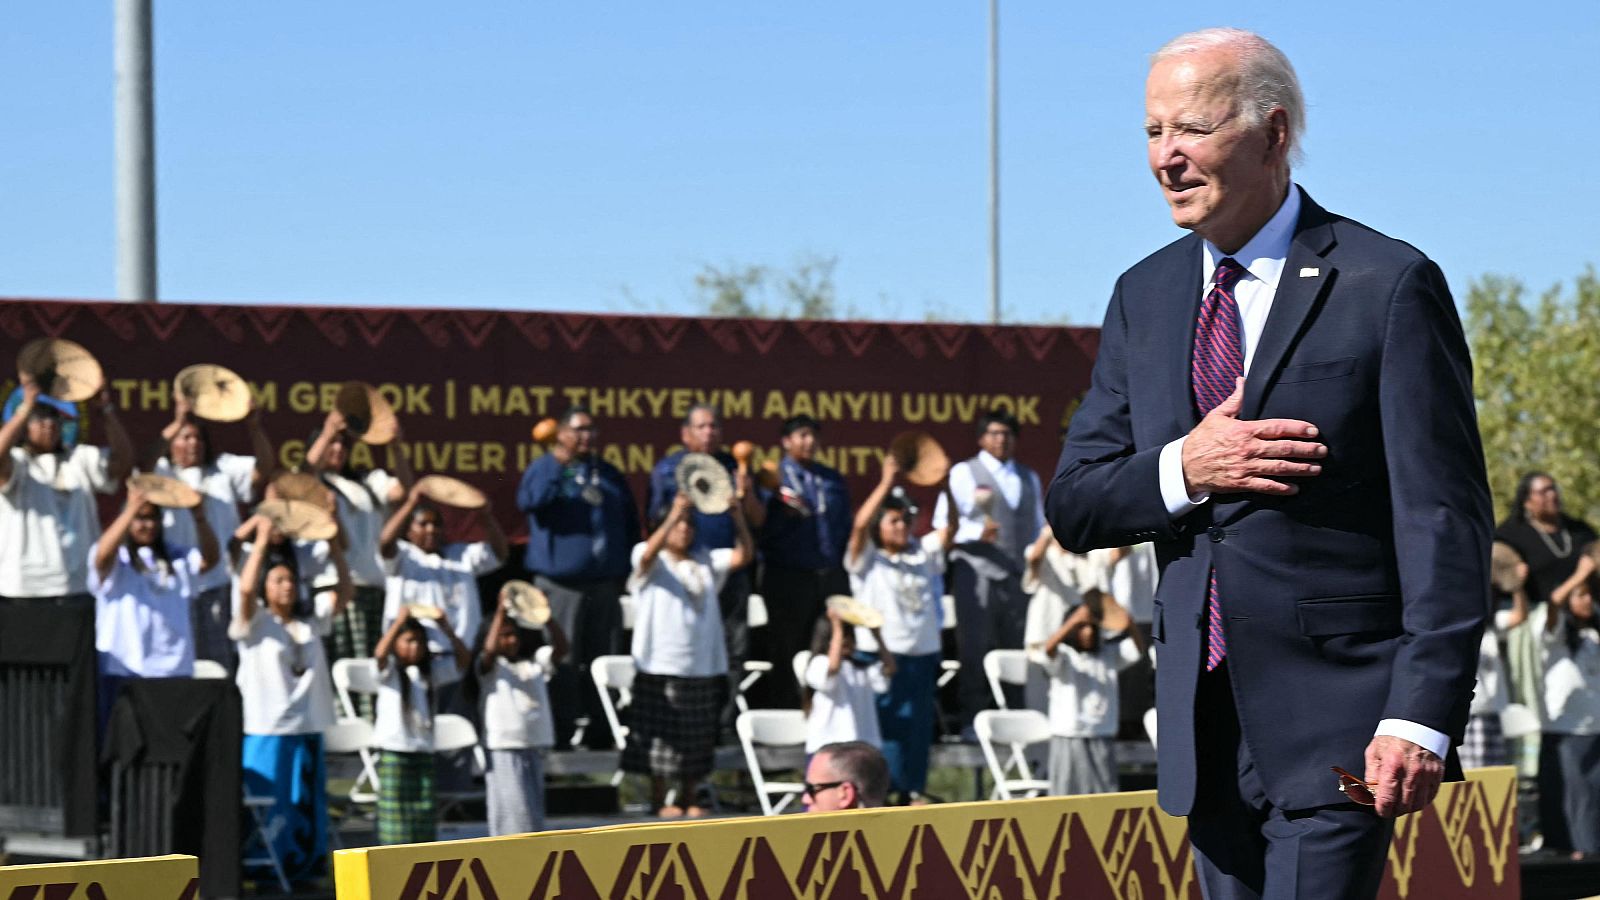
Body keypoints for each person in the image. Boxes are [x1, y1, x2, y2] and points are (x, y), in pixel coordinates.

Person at [1047, 28, 1491, 898]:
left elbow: (1443, 521)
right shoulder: (1144, 295)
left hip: (1344, 729)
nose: (1166, 159)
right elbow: (1077, 503)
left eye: (1192, 130)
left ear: (1273, 132)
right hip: (1201, 736)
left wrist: (1420, 716)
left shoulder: (1386, 283)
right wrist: (1187, 466)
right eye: (1151, 133)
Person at [231, 514, 348, 883]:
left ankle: (307, 868)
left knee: (306, 800)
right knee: (272, 803)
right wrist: (262, 541)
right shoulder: (254, 623)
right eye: (278, 580)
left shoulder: (309, 621)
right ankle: (266, 871)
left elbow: (345, 590)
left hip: (308, 724)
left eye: (291, 580)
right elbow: (246, 590)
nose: (287, 587)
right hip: (267, 728)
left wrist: (331, 540)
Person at [623, 492, 752, 818]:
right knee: (662, 741)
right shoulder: (650, 557)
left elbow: (744, 555)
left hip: (702, 663)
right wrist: (672, 514)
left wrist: (737, 517)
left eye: (688, 524)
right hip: (661, 662)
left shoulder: (705, 561)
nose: (684, 530)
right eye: (679, 524)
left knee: (697, 736)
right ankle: (658, 799)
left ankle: (689, 795)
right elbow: (647, 556)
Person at [517, 406, 641, 744]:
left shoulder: (608, 473)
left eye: (592, 430)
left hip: (604, 583)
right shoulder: (544, 468)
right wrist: (558, 465)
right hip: (561, 585)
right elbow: (530, 502)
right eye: (579, 430)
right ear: (561, 433)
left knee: (604, 658)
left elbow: (628, 523)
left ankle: (603, 731)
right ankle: (562, 730)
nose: (587, 437)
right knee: (564, 659)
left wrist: (625, 571)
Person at [647, 404, 766, 725]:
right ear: (685, 433)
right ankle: (686, 720)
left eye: (714, 426)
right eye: (701, 427)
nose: (709, 432)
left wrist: (747, 496)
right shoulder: (669, 469)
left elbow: (758, 519)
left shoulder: (733, 467)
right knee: (689, 644)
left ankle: (723, 722)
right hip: (686, 570)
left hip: (729, 569)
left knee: (732, 648)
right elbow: (655, 519)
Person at [844, 453, 954, 801]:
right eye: (893, 521)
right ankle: (881, 791)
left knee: (918, 727)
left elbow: (949, 528)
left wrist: (945, 487)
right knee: (884, 726)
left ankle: (913, 789)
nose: (902, 526)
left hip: (921, 653)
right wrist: (886, 483)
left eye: (906, 520)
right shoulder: (868, 560)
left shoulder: (921, 554)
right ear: (881, 525)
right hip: (881, 654)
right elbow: (859, 527)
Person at [933, 411, 1045, 732]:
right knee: (975, 646)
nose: (1001, 439)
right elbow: (945, 524)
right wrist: (974, 534)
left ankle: (1016, 720)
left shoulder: (1028, 477)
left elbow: (1035, 526)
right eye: (994, 433)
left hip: (1017, 574)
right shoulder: (964, 473)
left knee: (1016, 645)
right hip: (976, 570)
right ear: (982, 438)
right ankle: (972, 718)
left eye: (1008, 433)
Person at [152, 392, 275, 674]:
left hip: (219, 583)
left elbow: (264, 468)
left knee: (219, 666)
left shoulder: (222, 470)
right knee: (181, 664)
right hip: (177, 585)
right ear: (172, 444)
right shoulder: (162, 472)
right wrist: (176, 421)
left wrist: (254, 426)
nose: (192, 443)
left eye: (197, 438)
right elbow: (144, 462)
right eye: (184, 437)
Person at [306, 406, 414, 708]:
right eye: (332, 444)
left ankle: (369, 727)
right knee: (340, 659)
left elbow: (402, 491)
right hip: (336, 584)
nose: (338, 449)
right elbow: (304, 471)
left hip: (372, 585)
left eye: (344, 444)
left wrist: (395, 447)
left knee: (370, 664)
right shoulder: (314, 485)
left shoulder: (367, 481)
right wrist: (328, 431)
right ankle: (343, 729)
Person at [89, 483, 221, 730]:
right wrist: (130, 509)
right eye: (140, 518)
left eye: (152, 518)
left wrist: (199, 517)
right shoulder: (118, 558)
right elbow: (101, 558)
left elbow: (210, 560)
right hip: (124, 670)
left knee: (170, 751)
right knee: (123, 751)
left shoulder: (177, 556)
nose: (147, 525)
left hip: (174, 671)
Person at [0, 374, 133, 602]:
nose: (49, 425)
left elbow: (124, 462)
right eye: (40, 420)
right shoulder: (18, 462)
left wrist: (106, 410)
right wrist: (26, 407)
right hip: (23, 589)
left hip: (79, 586)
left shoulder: (80, 457)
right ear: (26, 427)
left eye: (55, 420)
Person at [757, 414, 852, 708]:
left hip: (829, 572)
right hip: (788, 574)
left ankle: (824, 711)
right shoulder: (772, 478)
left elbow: (845, 524)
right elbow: (757, 520)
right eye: (801, 436)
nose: (808, 442)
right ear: (786, 442)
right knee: (788, 647)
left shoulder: (831, 478)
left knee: (828, 643)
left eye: (813, 436)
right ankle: (787, 711)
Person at [371, 606, 469, 845]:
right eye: (408, 641)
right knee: (395, 818)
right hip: (396, 750)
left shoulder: (430, 673)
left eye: (419, 642)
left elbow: (463, 661)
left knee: (424, 815)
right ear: (397, 643)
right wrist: (398, 622)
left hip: (423, 750)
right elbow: (380, 654)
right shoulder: (390, 672)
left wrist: (446, 627)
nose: (414, 647)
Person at [475, 591, 567, 836]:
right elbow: (490, 650)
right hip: (504, 746)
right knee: (513, 811)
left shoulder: (535, 661)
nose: (511, 640)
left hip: (534, 745)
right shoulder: (492, 667)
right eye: (504, 635)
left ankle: (530, 855)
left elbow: (561, 648)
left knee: (532, 811)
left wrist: (545, 616)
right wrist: (501, 612)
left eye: (513, 634)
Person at [378, 483, 508, 656]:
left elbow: (500, 554)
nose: (431, 530)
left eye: (436, 524)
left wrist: (485, 517)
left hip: (461, 654)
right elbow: (385, 543)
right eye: (423, 524)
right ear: (409, 531)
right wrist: (410, 503)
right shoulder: (404, 554)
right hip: (418, 655)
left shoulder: (460, 555)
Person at [1038, 593, 1147, 795]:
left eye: (1091, 626)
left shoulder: (1108, 654)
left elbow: (1138, 649)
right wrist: (1074, 620)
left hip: (1101, 733)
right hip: (1069, 735)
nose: (1088, 632)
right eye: (1082, 628)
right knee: (1065, 794)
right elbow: (1047, 652)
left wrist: (1128, 622)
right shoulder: (1064, 657)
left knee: (1104, 794)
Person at [1533, 571, 1600, 860]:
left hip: (1594, 724)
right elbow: (1553, 603)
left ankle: (1590, 849)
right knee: (1575, 795)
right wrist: (1582, 573)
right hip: (1565, 727)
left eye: (1589, 594)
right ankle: (1575, 851)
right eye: (1581, 595)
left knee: (1593, 793)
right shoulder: (1556, 632)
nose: (1588, 600)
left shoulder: (1594, 633)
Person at [1496, 473, 1598, 609]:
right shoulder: (1509, 535)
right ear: (1527, 501)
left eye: (1553, 489)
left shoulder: (1580, 530)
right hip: (1534, 616)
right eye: (1543, 492)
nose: (1552, 495)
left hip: (1584, 612)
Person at [802, 609, 893, 756]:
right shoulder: (818, 664)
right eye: (841, 637)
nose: (846, 641)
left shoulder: (862, 668)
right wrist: (837, 627)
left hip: (863, 745)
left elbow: (890, 669)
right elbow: (832, 668)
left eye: (849, 636)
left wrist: (877, 636)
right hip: (827, 746)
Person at [801, 740, 890, 812]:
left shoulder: (797, 834)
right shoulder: (900, 831)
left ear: (845, 794)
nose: (805, 799)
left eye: (812, 789)